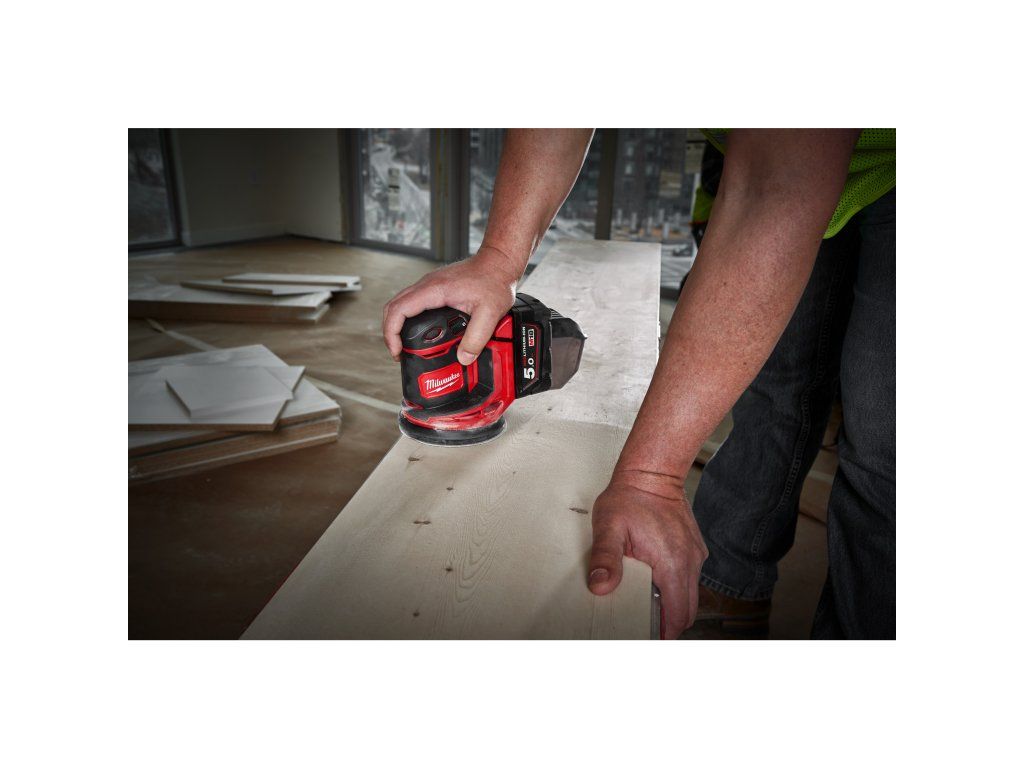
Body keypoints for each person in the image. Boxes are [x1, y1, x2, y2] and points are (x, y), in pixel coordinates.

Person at [382, 129, 896, 640]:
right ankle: (731, 586)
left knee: (883, 449)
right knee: (772, 385)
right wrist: (498, 259)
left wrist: (651, 478)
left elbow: (772, 188)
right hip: (756, 154)